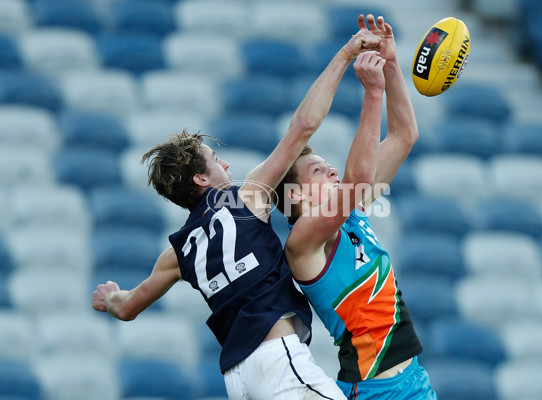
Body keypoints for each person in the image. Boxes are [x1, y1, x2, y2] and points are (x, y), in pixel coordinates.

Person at [92, 25, 382, 400]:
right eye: (215, 160)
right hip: (278, 360)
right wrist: (344, 56)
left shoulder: (177, 253)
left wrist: (110, 298)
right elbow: (304, 126)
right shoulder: (247, 197)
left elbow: (129, 307)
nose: (225, 164)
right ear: (200, 178)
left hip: (238, 380)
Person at [275, 14, 436, 399]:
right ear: (295, 196)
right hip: (376, 391)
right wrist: (372, 93)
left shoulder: (353, 211)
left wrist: (392, 64)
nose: (329, 167)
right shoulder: (304, 240)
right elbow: (358, 179)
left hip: (414, 379)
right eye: (317, 169)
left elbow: (403, 135)